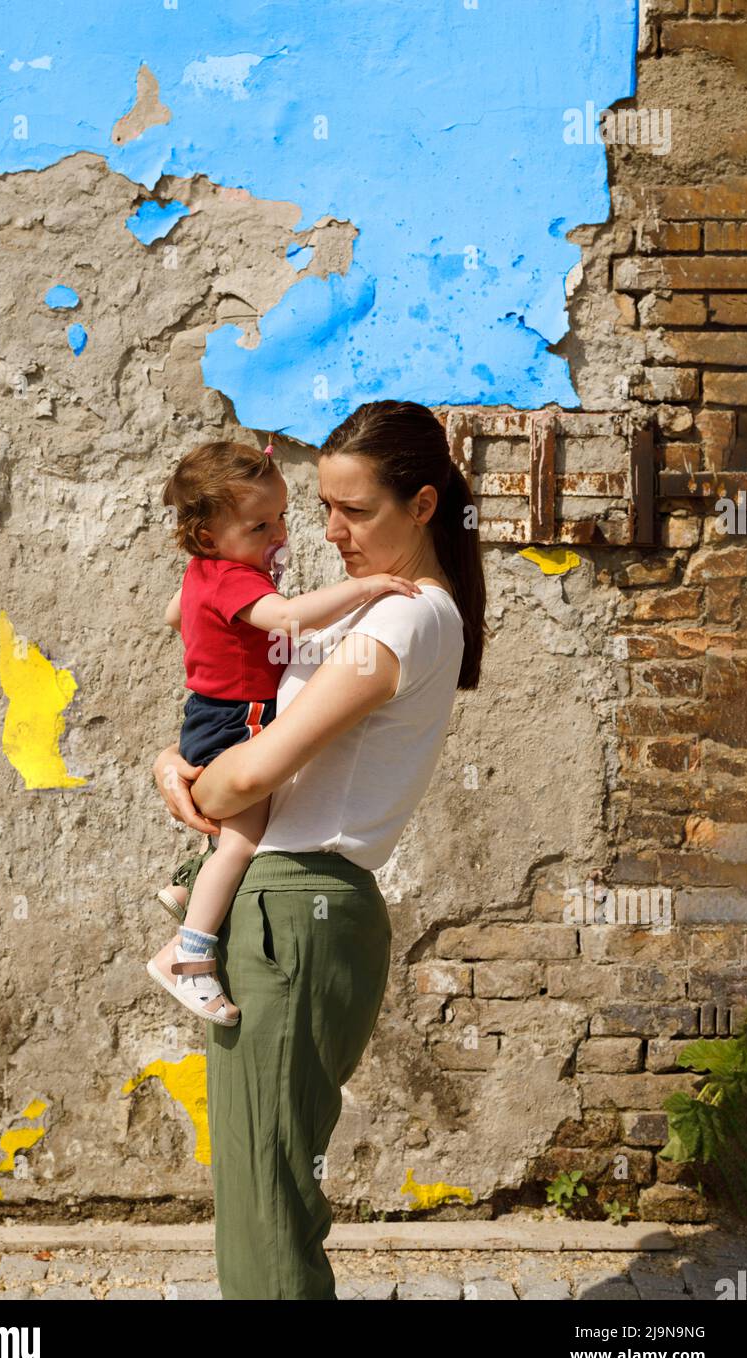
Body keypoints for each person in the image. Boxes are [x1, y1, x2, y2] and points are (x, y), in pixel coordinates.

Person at [152, 399, 488, 1300]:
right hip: (281, 910)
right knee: (261, 1195)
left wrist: (201, 782)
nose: (331, 532)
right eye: (325, 508)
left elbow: (247, 779)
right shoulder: (362, 614)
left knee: (268, 1211)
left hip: (299, 908)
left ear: (422, 507)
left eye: (358, 511)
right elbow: (241, 731)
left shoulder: (404, 622)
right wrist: (175, 760)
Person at [147, 436, 422, 1026]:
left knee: (233, 828)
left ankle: (187, 885)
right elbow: (289, 617)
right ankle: (189, 957)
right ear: (207, 537)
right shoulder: (235, 580)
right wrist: (365, 588)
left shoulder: (205, 573)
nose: (278, 535)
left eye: (280, 519)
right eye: (258, 527)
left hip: (208, 711)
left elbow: (175, 614)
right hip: (235, 717)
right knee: (243, 838)